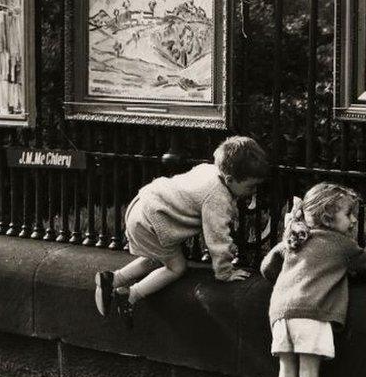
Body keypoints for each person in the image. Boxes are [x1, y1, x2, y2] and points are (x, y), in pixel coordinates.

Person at [94, 135, 270, 324]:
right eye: (250, 187)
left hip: (142, 206)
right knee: (176, 268)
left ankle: (112, 279)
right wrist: (225, 272)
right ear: (229, 179)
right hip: (153, 221)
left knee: (156, 258)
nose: (253, 191)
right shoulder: (217, 198)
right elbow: (217, 238)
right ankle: (131, 296)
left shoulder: (209, 170)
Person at [260, 183, 366, 377]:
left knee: (285, 375)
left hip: (281, 313)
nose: (354, 220)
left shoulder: (294, 238)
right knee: (308, 375)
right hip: (313, 313)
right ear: (327, 217)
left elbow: (267, 268)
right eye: (349, 214)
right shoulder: (341, 244)